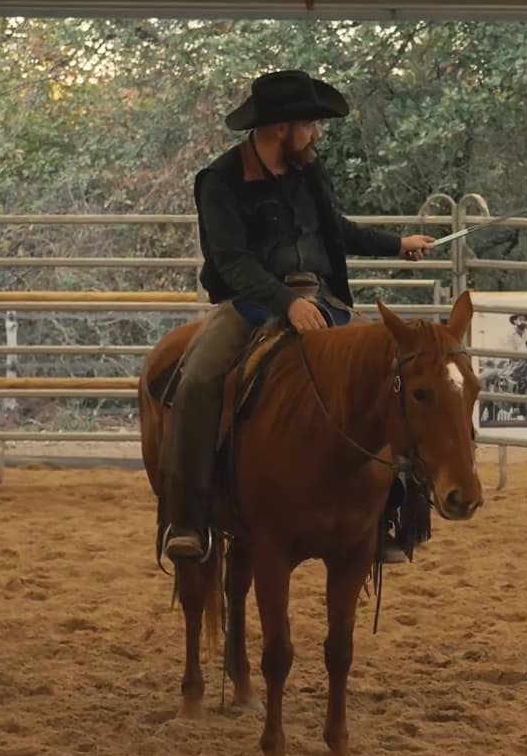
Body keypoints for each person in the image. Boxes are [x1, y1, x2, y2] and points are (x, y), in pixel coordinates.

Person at [158, 69, 436, 566]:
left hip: (324, 299)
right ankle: (189, 519)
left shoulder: (308, 168)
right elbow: (231, 261)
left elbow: (337, 230)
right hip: (251, 303)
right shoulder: (220, 180)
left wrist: (398, 244)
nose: (316, 134)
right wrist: (286, 302)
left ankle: (388, 513)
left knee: (391, 370)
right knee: (198, 379)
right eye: (308, 124)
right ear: (279, 127)